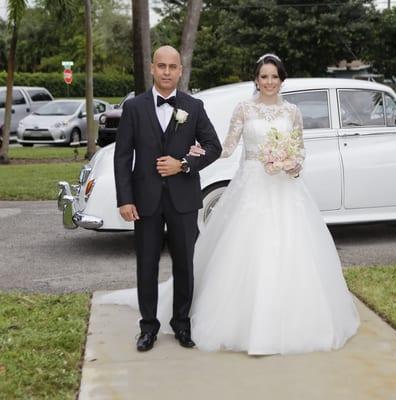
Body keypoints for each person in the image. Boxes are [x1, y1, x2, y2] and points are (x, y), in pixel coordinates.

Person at [180, 53, 360, 354]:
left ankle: (295, 323)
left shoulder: (292, 112)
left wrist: (293, 164)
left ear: (282, 79)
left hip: (285, 189)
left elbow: (300, 150)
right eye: (264, 76)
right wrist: (200, 150)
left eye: (274, 77)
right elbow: (227, 148)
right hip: (250, 187)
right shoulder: (244, 109)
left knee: (292, 249)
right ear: (256, 79)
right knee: (244, 250)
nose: (269, 82)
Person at [113, 45, 222, 352]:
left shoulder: (194, 106)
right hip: (145, 200)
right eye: (161, 66)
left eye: (172, 67)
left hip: (183, 199)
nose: (166, 71)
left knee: (184, 264)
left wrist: (184, 164)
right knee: (145, 265)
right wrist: (125, 199)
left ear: (180, 71)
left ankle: (182, 324)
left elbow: (213, 146)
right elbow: (122, 157)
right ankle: (148, 328)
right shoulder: (134, 108)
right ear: (152, 68)